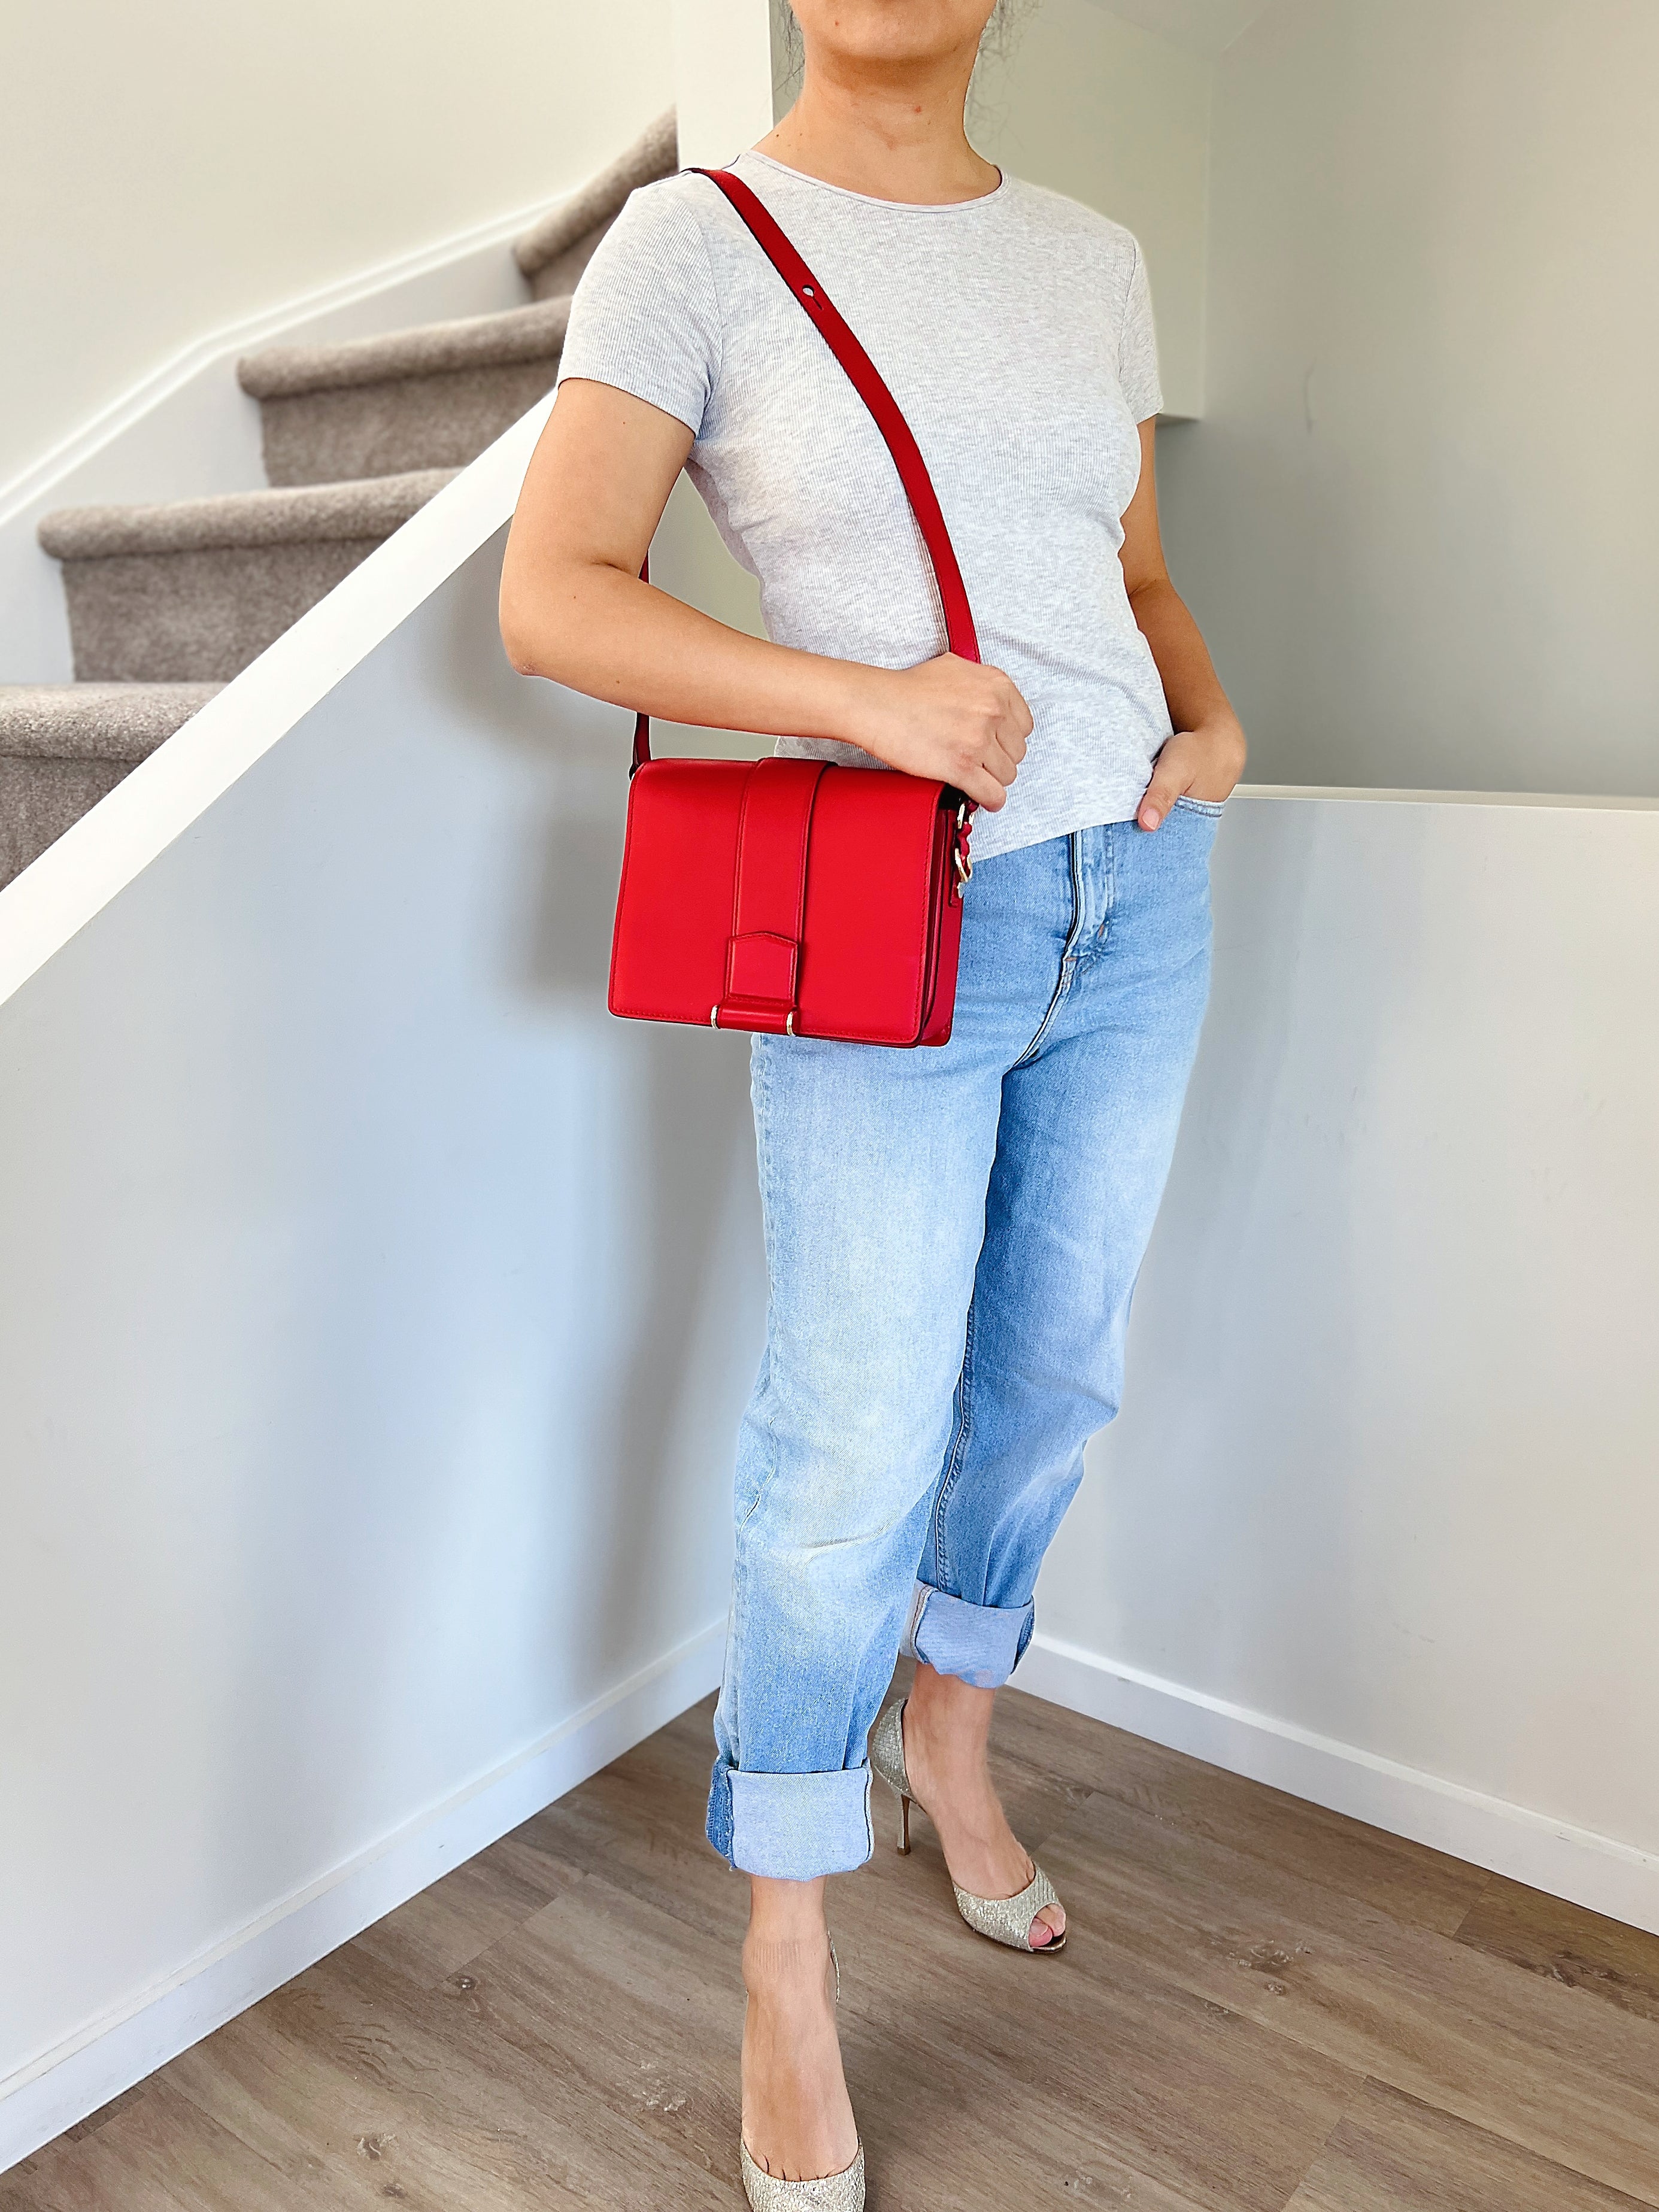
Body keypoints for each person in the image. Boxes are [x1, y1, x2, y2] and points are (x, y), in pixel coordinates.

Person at [500, 1, 1246, 2201]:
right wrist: (863, 706)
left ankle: (955, 1732)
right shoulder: (690, 240)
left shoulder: (1091, 255)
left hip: (1145, 893)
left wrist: (1208, 724)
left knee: (1048, 1384)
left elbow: (1130, 573)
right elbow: (555, 600)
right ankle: (787, 1957)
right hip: (896, 926)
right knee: (846, 1442)